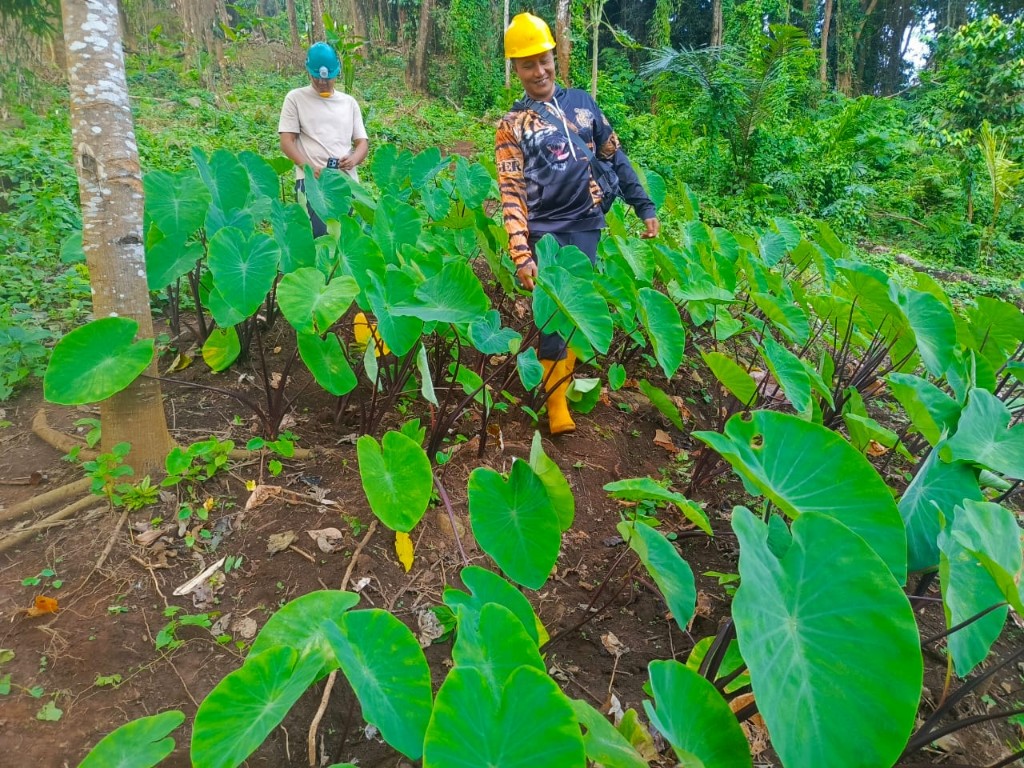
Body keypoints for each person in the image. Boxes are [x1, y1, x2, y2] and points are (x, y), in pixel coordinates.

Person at [496, 13, 660, 435]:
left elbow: (612, 155)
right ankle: (555, 408)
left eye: (544, 60)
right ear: (515, 69)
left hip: (586, 222)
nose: (539, 71)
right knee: (550, 315)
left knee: (572, 312)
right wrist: (520, 251)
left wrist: (644, 206)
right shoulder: (511, 125)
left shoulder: (584, 105)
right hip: (544, 230)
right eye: (527, 64)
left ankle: (561, 389)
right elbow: (511, 191)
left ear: (555, 57)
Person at [278, 42, 369, 237]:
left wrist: (354, 159)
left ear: (337, 73)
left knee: (347, 243)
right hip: (312, 182)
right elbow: (287, 141)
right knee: (320, 243)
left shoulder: (349, 103)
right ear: (308, 72)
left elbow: (362, 143)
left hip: (346, 182)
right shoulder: (295, 98)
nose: (322, 83)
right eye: (317, 78)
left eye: (327, 79)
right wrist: (309, 168)